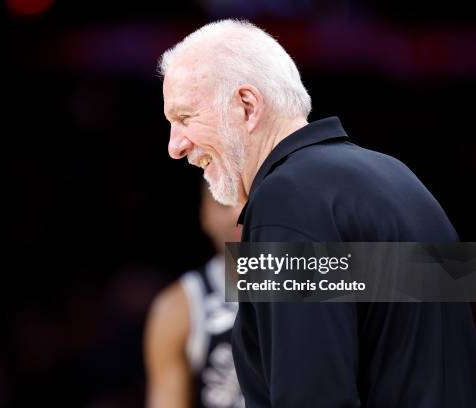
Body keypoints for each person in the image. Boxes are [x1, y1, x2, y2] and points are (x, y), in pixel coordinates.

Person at [158, 19, 476, 407]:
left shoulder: (286, 199)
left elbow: (312, 396)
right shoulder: (394, 176)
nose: (175, 146)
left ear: (247, 106)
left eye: (185, 117)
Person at [145, 186, 245, 408]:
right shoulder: (178, 307)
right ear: (204, 214)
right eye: (223, 201)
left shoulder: (327, 274)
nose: (238, 213)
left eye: (254, 198)